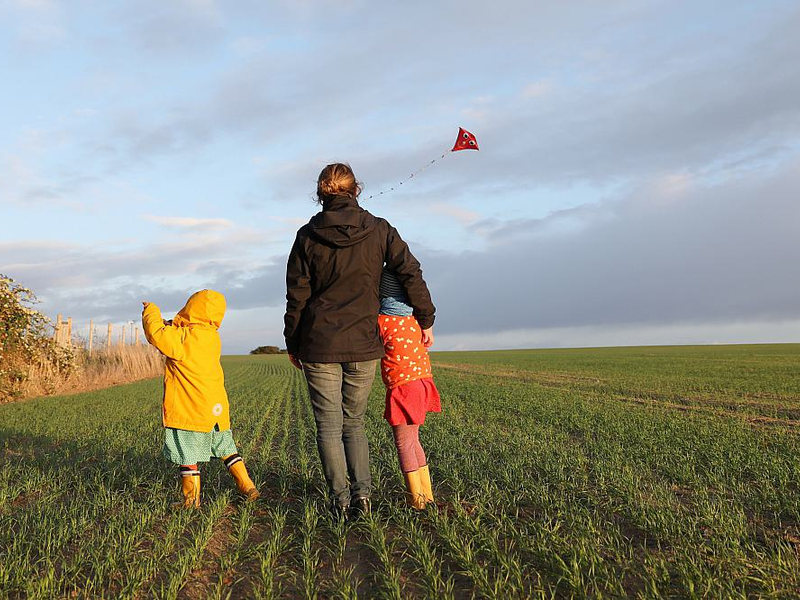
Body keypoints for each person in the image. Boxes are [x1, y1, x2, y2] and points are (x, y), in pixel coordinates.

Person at [284, 162, 435, 520]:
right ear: (356, 190)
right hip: (365, 344)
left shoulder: (306, 236)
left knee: (329, 426)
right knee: (354, 423)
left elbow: (296, 297)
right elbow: (410, 272)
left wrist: (293, 341)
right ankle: (362, 498)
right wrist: (425, 318)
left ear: (321, 194)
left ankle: (340, 501)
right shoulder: (379, 229)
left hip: (319, 344)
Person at [142, 290, 259, 508]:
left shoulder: (183, 338)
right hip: (216, 409)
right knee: (227, 449)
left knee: (187, 455)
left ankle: (191, 501)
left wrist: (151, 310)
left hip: (191, 408)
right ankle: (247, 486)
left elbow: (155, 334)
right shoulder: (211, 336)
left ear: (191, 308)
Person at [378, 269, 441, 509]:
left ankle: (417, 502)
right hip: (422, 384)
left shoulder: (382, 321)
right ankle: (427, 496)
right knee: (413, 441)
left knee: (404, 443)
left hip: (403, 389)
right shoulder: (414, 320)